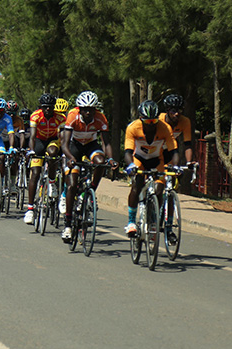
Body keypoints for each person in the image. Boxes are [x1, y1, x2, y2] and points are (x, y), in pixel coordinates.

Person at [60, 91, 117, 242]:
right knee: (72, 185)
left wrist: (111, 159)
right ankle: (67, 224)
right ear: (79, 109)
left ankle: (90, 190)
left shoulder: (100, 118)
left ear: (95, 109)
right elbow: (64, 144)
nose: (87, 112)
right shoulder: (72, 116)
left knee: (100, 162)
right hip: (74, 147)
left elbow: (106, 143)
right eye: (84, 109)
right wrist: (71, 158)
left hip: (91, 145)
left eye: (91, 109)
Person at [123, 100, 179, 239]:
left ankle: (153, 220)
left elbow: (174, 151)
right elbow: (128, 152)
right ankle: (131, 222)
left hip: (156, 161)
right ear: (141, 119)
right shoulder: (133, 127)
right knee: (136, 186)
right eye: (147, 122)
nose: (151, 125)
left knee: (160, 189)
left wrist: (176, 166)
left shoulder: (165, 128)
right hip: (139, 160)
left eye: (154, 121)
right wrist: (131, 166)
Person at [23, 93, 65, 224]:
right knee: (35, 173)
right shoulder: (35, 116)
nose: (48, 109)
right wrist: (31, 151)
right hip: (39, 141)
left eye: (51, 107)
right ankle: (30, 209)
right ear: (41, 107)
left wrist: (64, 152)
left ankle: (52, 182)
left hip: (52, 140)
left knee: (53, 152)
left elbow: (63, 137)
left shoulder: (60, 118)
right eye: (45, 107)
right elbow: (32, 136)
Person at [159, 94, 194, 164]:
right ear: (167, 111)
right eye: (173, 111)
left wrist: (189, 162)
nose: (177, 114)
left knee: (175, 171)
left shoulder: (185, 122)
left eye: (180, 110)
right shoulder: (159, 121)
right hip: (154, 150)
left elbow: (187, 145)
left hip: (168, 150)